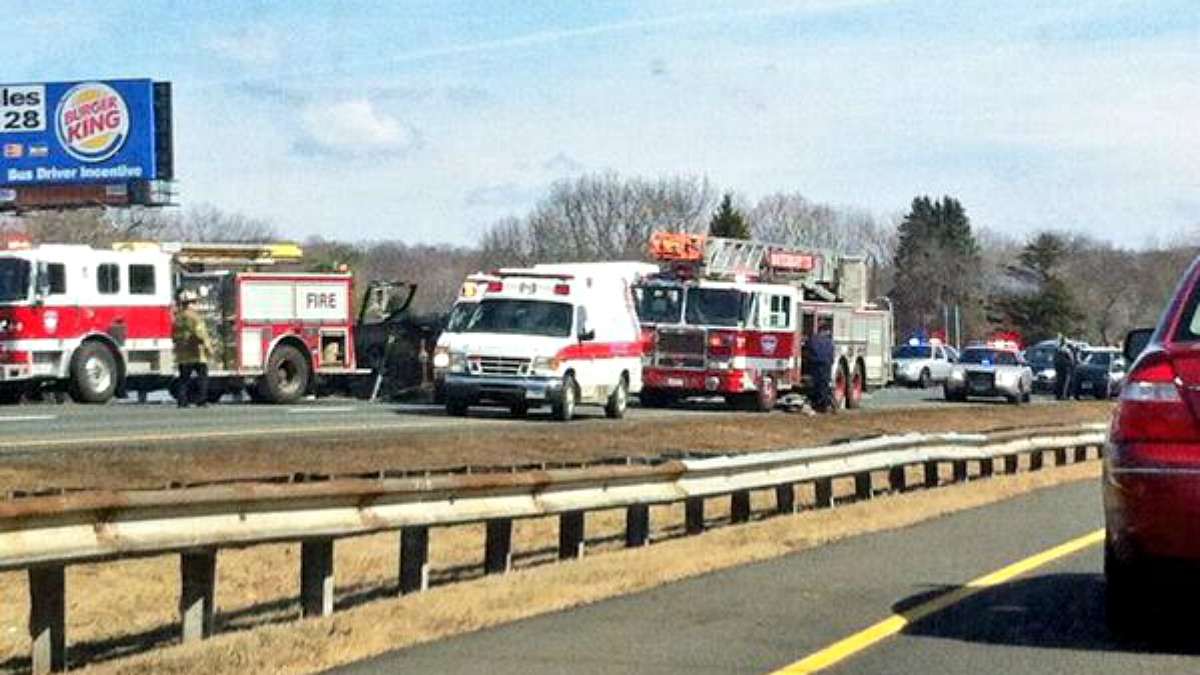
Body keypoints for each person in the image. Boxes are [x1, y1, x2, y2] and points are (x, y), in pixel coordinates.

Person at [173, 291, 213, 408]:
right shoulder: (195, 318)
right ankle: (201, 400)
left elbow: (174, 335)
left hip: (182, 355)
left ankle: (182, 401)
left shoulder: (177, 318)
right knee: (202, 378)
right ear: (190, 304)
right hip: (197, 353)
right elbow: (201, 333)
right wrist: (208, 348)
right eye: (194, 302)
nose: (196, 305)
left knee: (183, 379)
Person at [809, 318, 836, 413]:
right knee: (824, 385)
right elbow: (832, 354)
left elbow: (810, 351)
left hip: (816, 365)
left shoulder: (814, 339)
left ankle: (820, 405)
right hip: (826, 365)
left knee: (818, 385)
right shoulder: (829, 341)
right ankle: (826, 405)